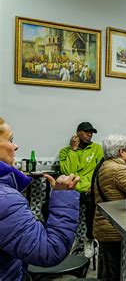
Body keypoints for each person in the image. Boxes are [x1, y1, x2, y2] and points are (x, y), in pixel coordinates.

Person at [0, 117, 80, 280]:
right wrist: (64, 196)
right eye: (11, 139)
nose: (16, 146)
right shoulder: (5, 198)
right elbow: (49, 250)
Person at [93, 134, 126, 280]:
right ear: (121, 152)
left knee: (108, 269)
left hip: (104, 226)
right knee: (116, 272)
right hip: (113, 229)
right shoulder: (118, 169)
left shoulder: (106, 165)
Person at [59, 121, 104, 250]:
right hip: (71, 189)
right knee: (66, 213)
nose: (90, 134)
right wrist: (73, 150)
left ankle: (89, 239)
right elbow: (68, 172)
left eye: (91, 132)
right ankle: (70, 240)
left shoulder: (97, 149)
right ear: (78, 133)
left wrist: (94, 186)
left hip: (89, 189)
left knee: (93, 210)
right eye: (86, 132)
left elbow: (100, 170)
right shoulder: (65, 152)